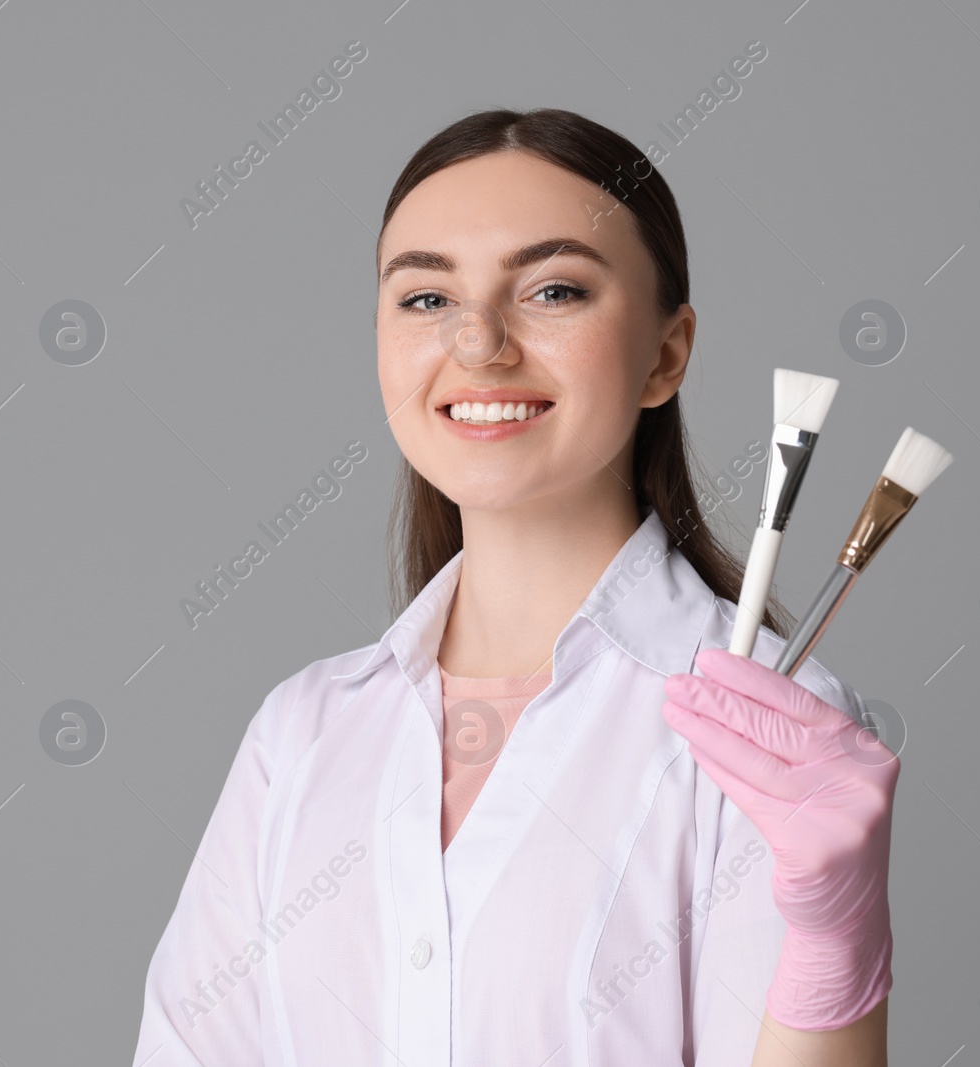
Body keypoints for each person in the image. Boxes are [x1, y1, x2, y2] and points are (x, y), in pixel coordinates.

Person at [129, 107, 895, 1066]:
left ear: (667, 353)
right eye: (425, 299)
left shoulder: (768, 730)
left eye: (554, 289)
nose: (480, 344)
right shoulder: (302, 734)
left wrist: (836, 949)